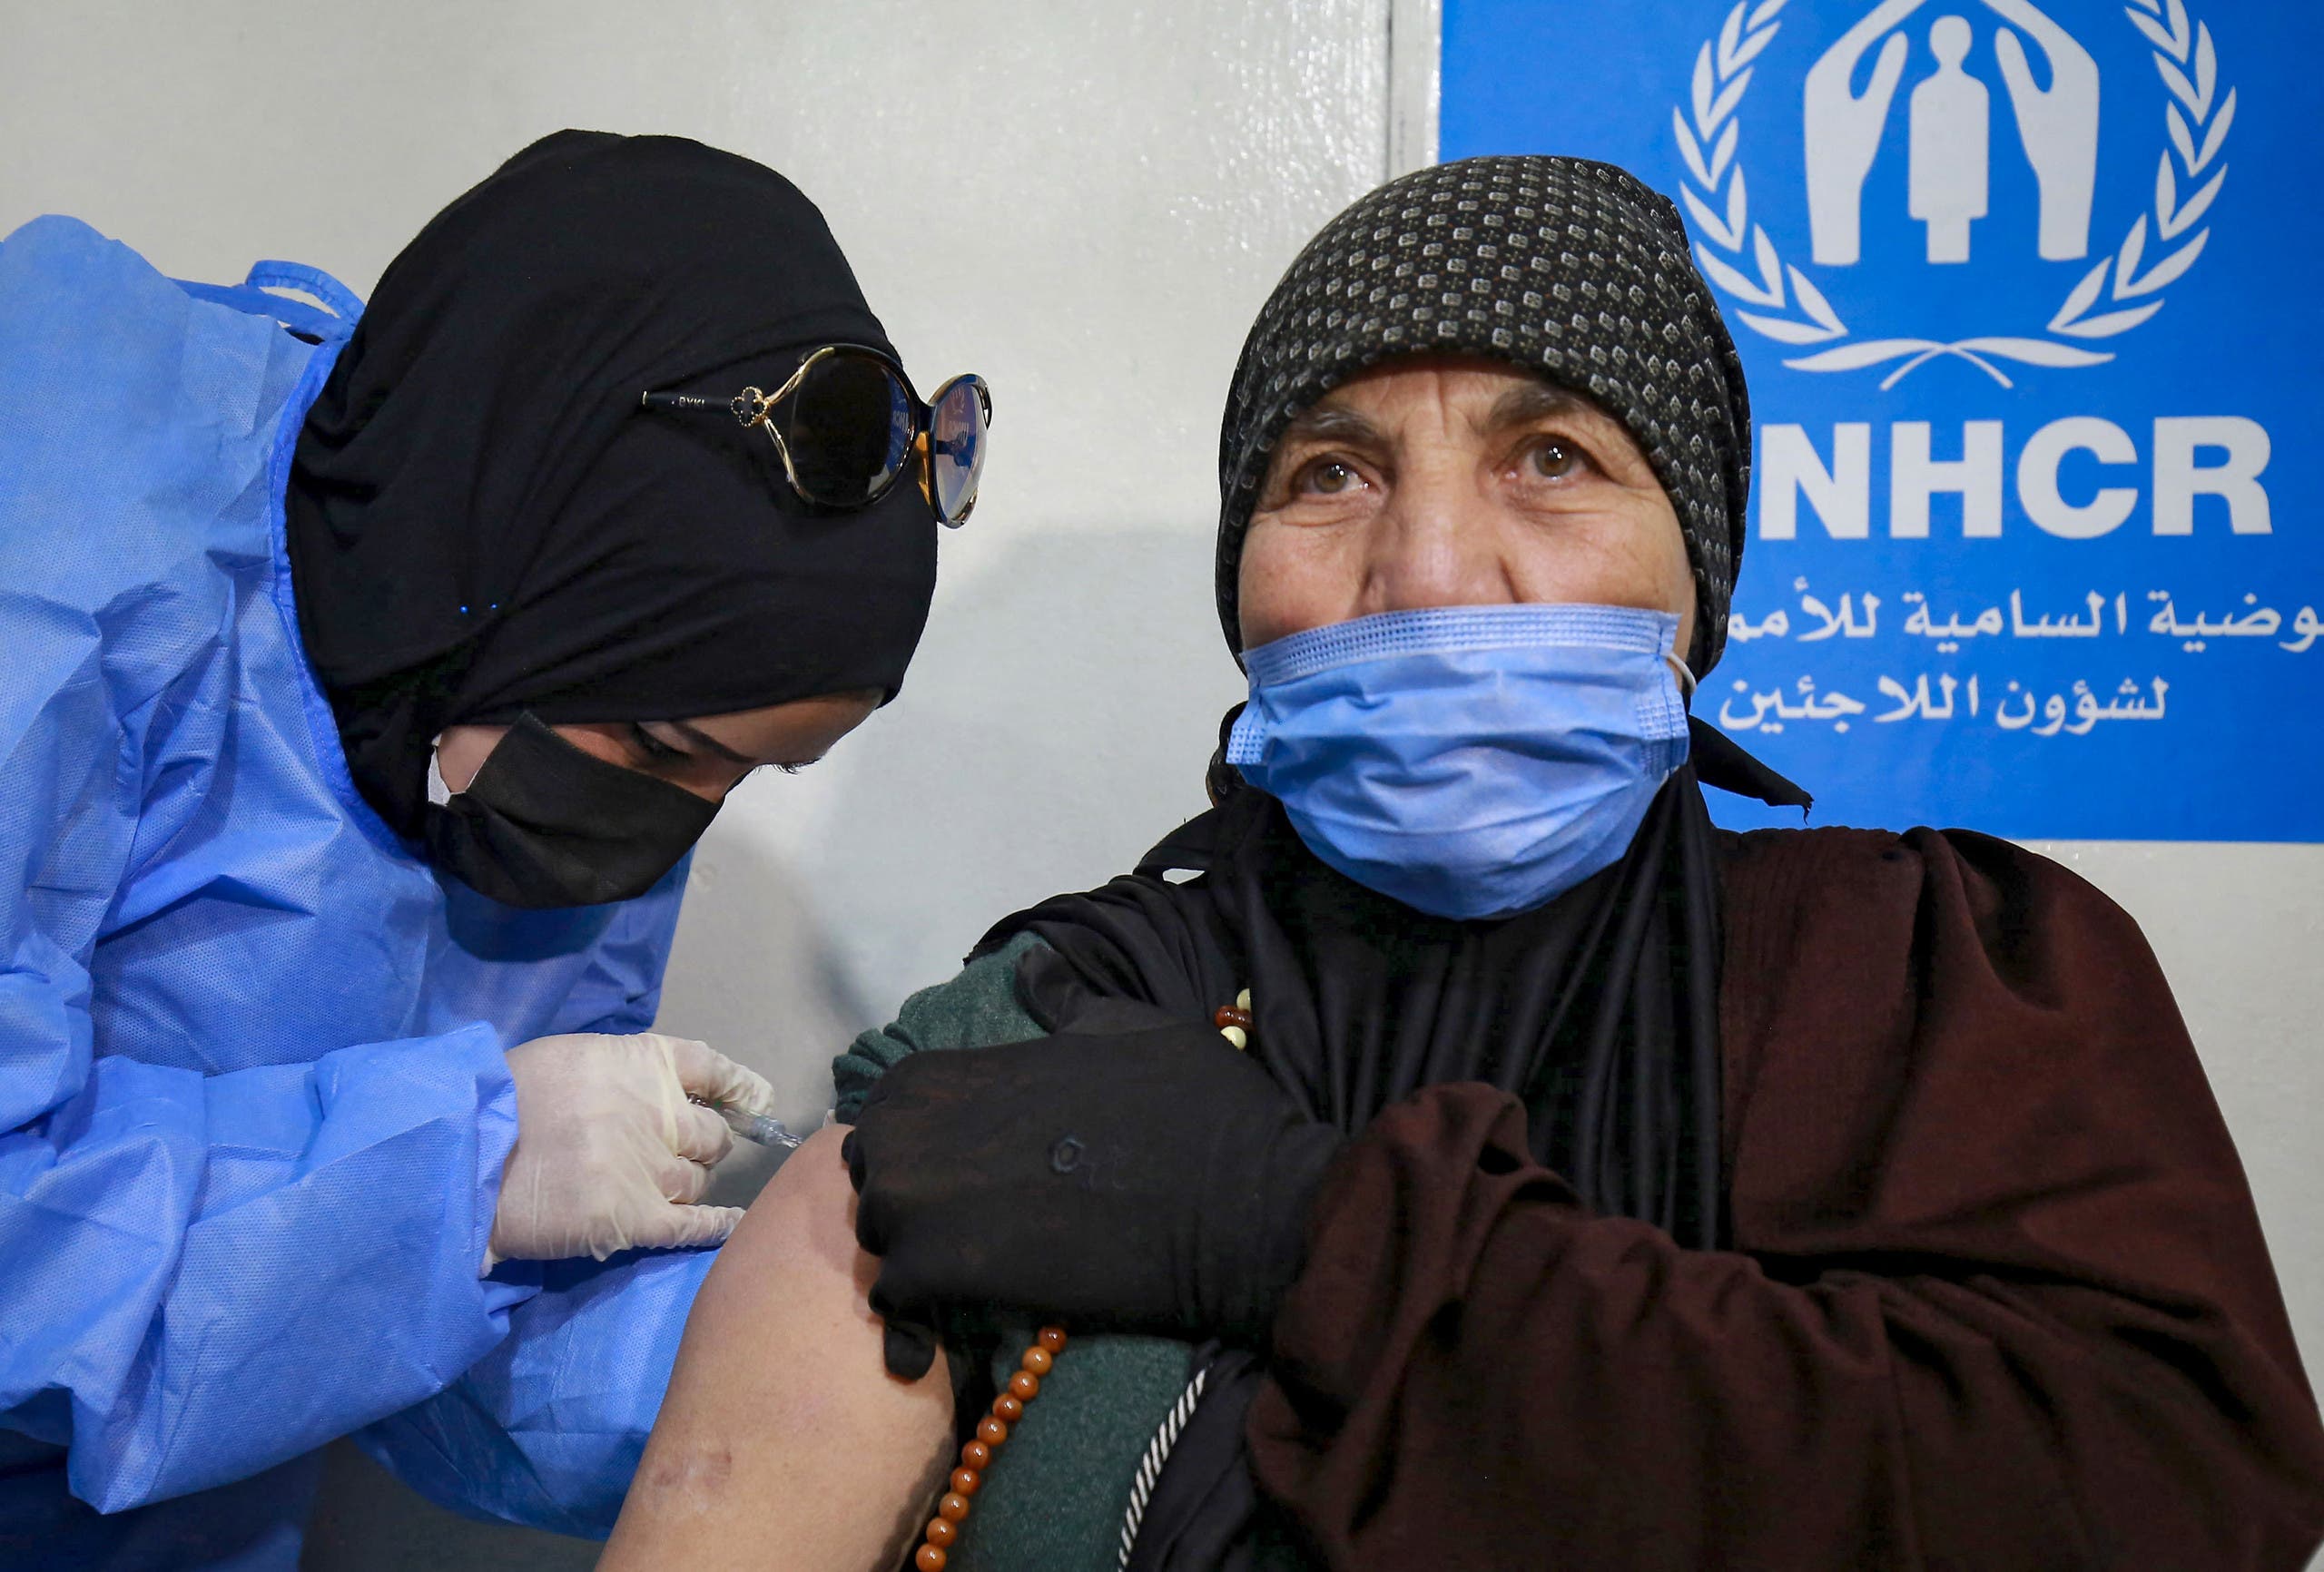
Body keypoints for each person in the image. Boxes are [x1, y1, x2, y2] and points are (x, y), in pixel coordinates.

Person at [603, 156, 2324, 1570]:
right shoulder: (1043, 1047)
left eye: (1553, 460)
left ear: (1694, 580)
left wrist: (1310, 1237)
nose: (1429, 566)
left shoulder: (1934, 986)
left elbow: (2169, 1503)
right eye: (1331, 471)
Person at [0, 130, 988, 1569]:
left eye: (740, 776)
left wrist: (823, 1342)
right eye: (662, 753)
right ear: (505, 571)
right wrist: (462, 1168)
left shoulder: (531, 688)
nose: (670, 827)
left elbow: (394, 1333)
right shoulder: (63, 552)